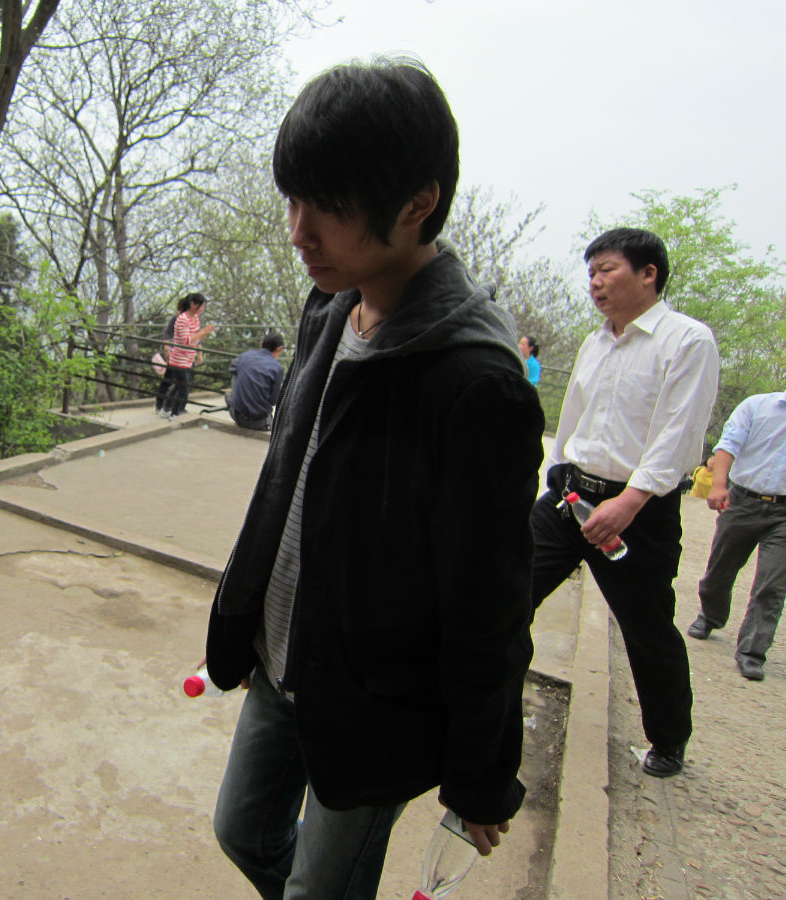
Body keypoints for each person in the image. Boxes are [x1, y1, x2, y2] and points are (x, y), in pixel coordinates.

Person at [205, 59, 544, 900]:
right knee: (242, 830)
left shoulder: (476, 383)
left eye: (328, 205)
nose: (299, 231)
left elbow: (490, 600)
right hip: (283, 658)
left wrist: (481, 775)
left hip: (375, 698)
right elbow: (283, 482)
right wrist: (245, 622)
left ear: (418, 202)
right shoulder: (330, 306)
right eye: (293, 199)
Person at [530, 227, 720, 779]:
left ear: (648, 273)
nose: (595, 282)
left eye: (606, 270)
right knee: (505, 587)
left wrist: (630, 501)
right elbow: (575, 413)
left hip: (638, 512)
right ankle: (474, 692)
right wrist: (557, 471)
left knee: (647, 626)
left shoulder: (687, 341)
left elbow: (679, 432)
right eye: (590, 273)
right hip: (570, 498)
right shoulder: (595, 342)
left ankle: (668, 738)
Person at [688, 390, 786, 682]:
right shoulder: (757, 406)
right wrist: (718, 485)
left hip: (785, 514)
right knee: (720, 568)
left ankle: (752, 652)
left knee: (772, 583)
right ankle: (710, 615)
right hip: (742, 501)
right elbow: (728, 445)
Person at [158, 293, 214, 419]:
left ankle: (166, 409)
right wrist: (203, 331)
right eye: (201, 306)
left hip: (188, 358)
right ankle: (174, 413)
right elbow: (186, 341)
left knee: (179, 386)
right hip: (179, 359)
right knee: (184, 388)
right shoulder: (183, 319)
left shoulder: (195, 318)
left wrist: (200, 352)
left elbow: (197, 339)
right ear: (193, 304)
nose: (202, 309)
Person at [226, 332, 285, 430]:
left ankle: (233, 400)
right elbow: (273, 401)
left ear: (261, 344)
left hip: (238, 417)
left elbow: (232, 368)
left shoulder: (245, 356)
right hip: (259, 422)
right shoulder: (277, 368)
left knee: (237, 371)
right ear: (279, 348)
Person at [154, 297, 193, 416]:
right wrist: (167, 350)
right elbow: (167, 334)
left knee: (182, 381)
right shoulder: (177, 318)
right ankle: (163, 406)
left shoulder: (190, 319)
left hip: (184, 355)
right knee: (170, 380)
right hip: (174, 354)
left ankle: (175, 406)